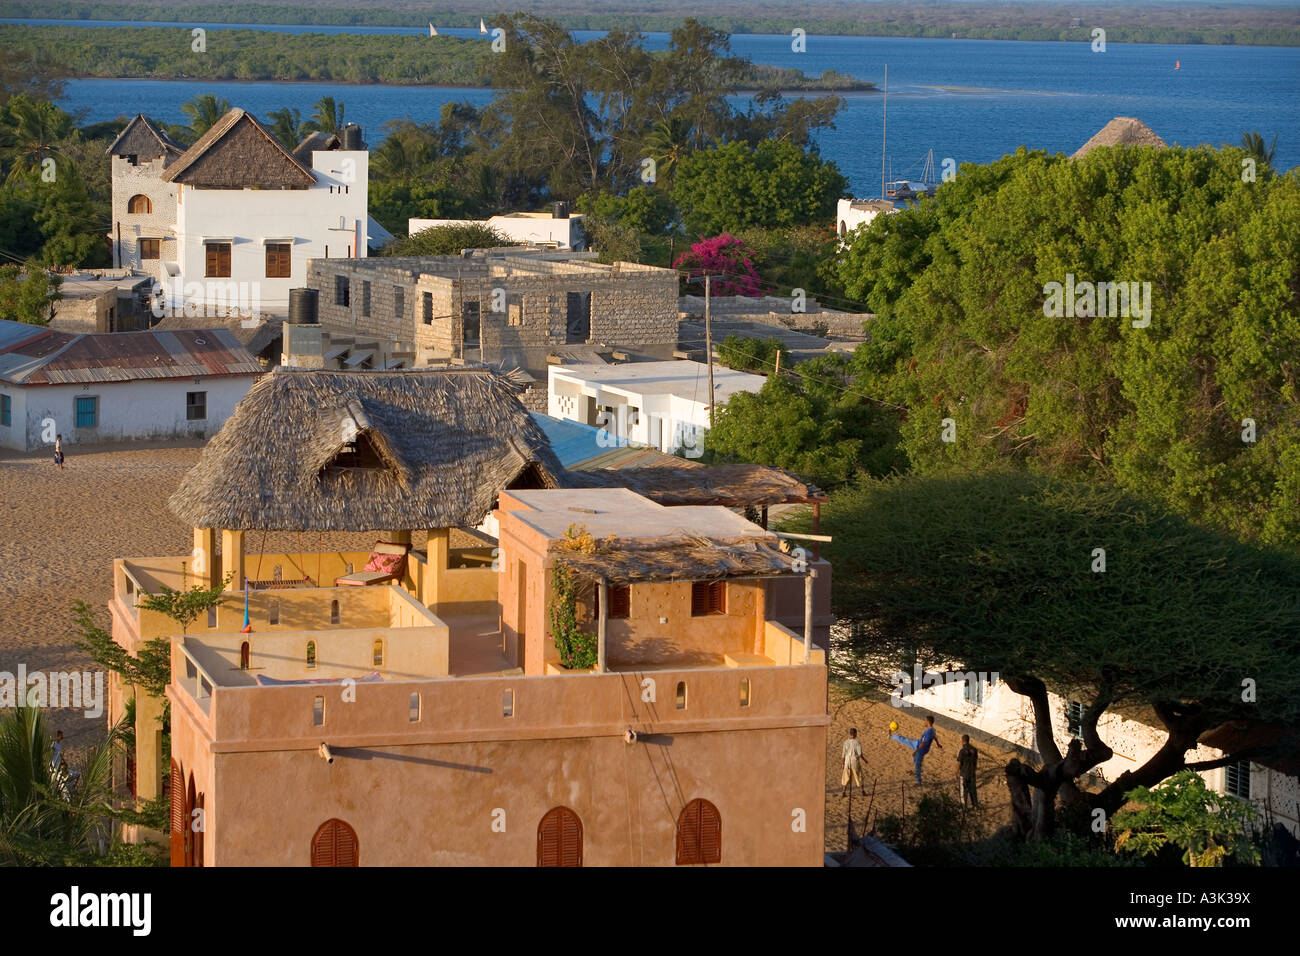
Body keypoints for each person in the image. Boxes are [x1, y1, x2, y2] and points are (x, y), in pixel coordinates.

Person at [889, 714, 942, 785]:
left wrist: (916, 751)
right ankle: (892, 736)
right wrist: (938, 744)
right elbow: (935, 737)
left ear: (928, 722)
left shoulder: (928, 732)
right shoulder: (932, 730)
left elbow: (923, 742)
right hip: (918, 744)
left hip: (920, 749)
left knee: (918, 765)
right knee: (905, 740)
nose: (924, 722)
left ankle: (918, 782)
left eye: (925, 720)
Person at [841, 728, 866, 797]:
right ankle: (862, 791)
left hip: (847, 762)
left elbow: (843, 754)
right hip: (854, 762)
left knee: (845, 777)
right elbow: (860, 754)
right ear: (855, 734)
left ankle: (843, 791)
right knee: (859, 776)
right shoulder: (857, 742)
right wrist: (865, 760)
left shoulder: (845, 742)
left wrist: (842, 763)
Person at [957, 734, 980, 808]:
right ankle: (975, 806)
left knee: (963, 791)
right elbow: (975, 761)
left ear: (963, 741)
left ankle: (964, 807)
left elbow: (959, 763)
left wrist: (956, 772)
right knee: (973, 790)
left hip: (964, 773)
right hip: (971, 773)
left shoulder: (962, 751)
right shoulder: (974, 750)